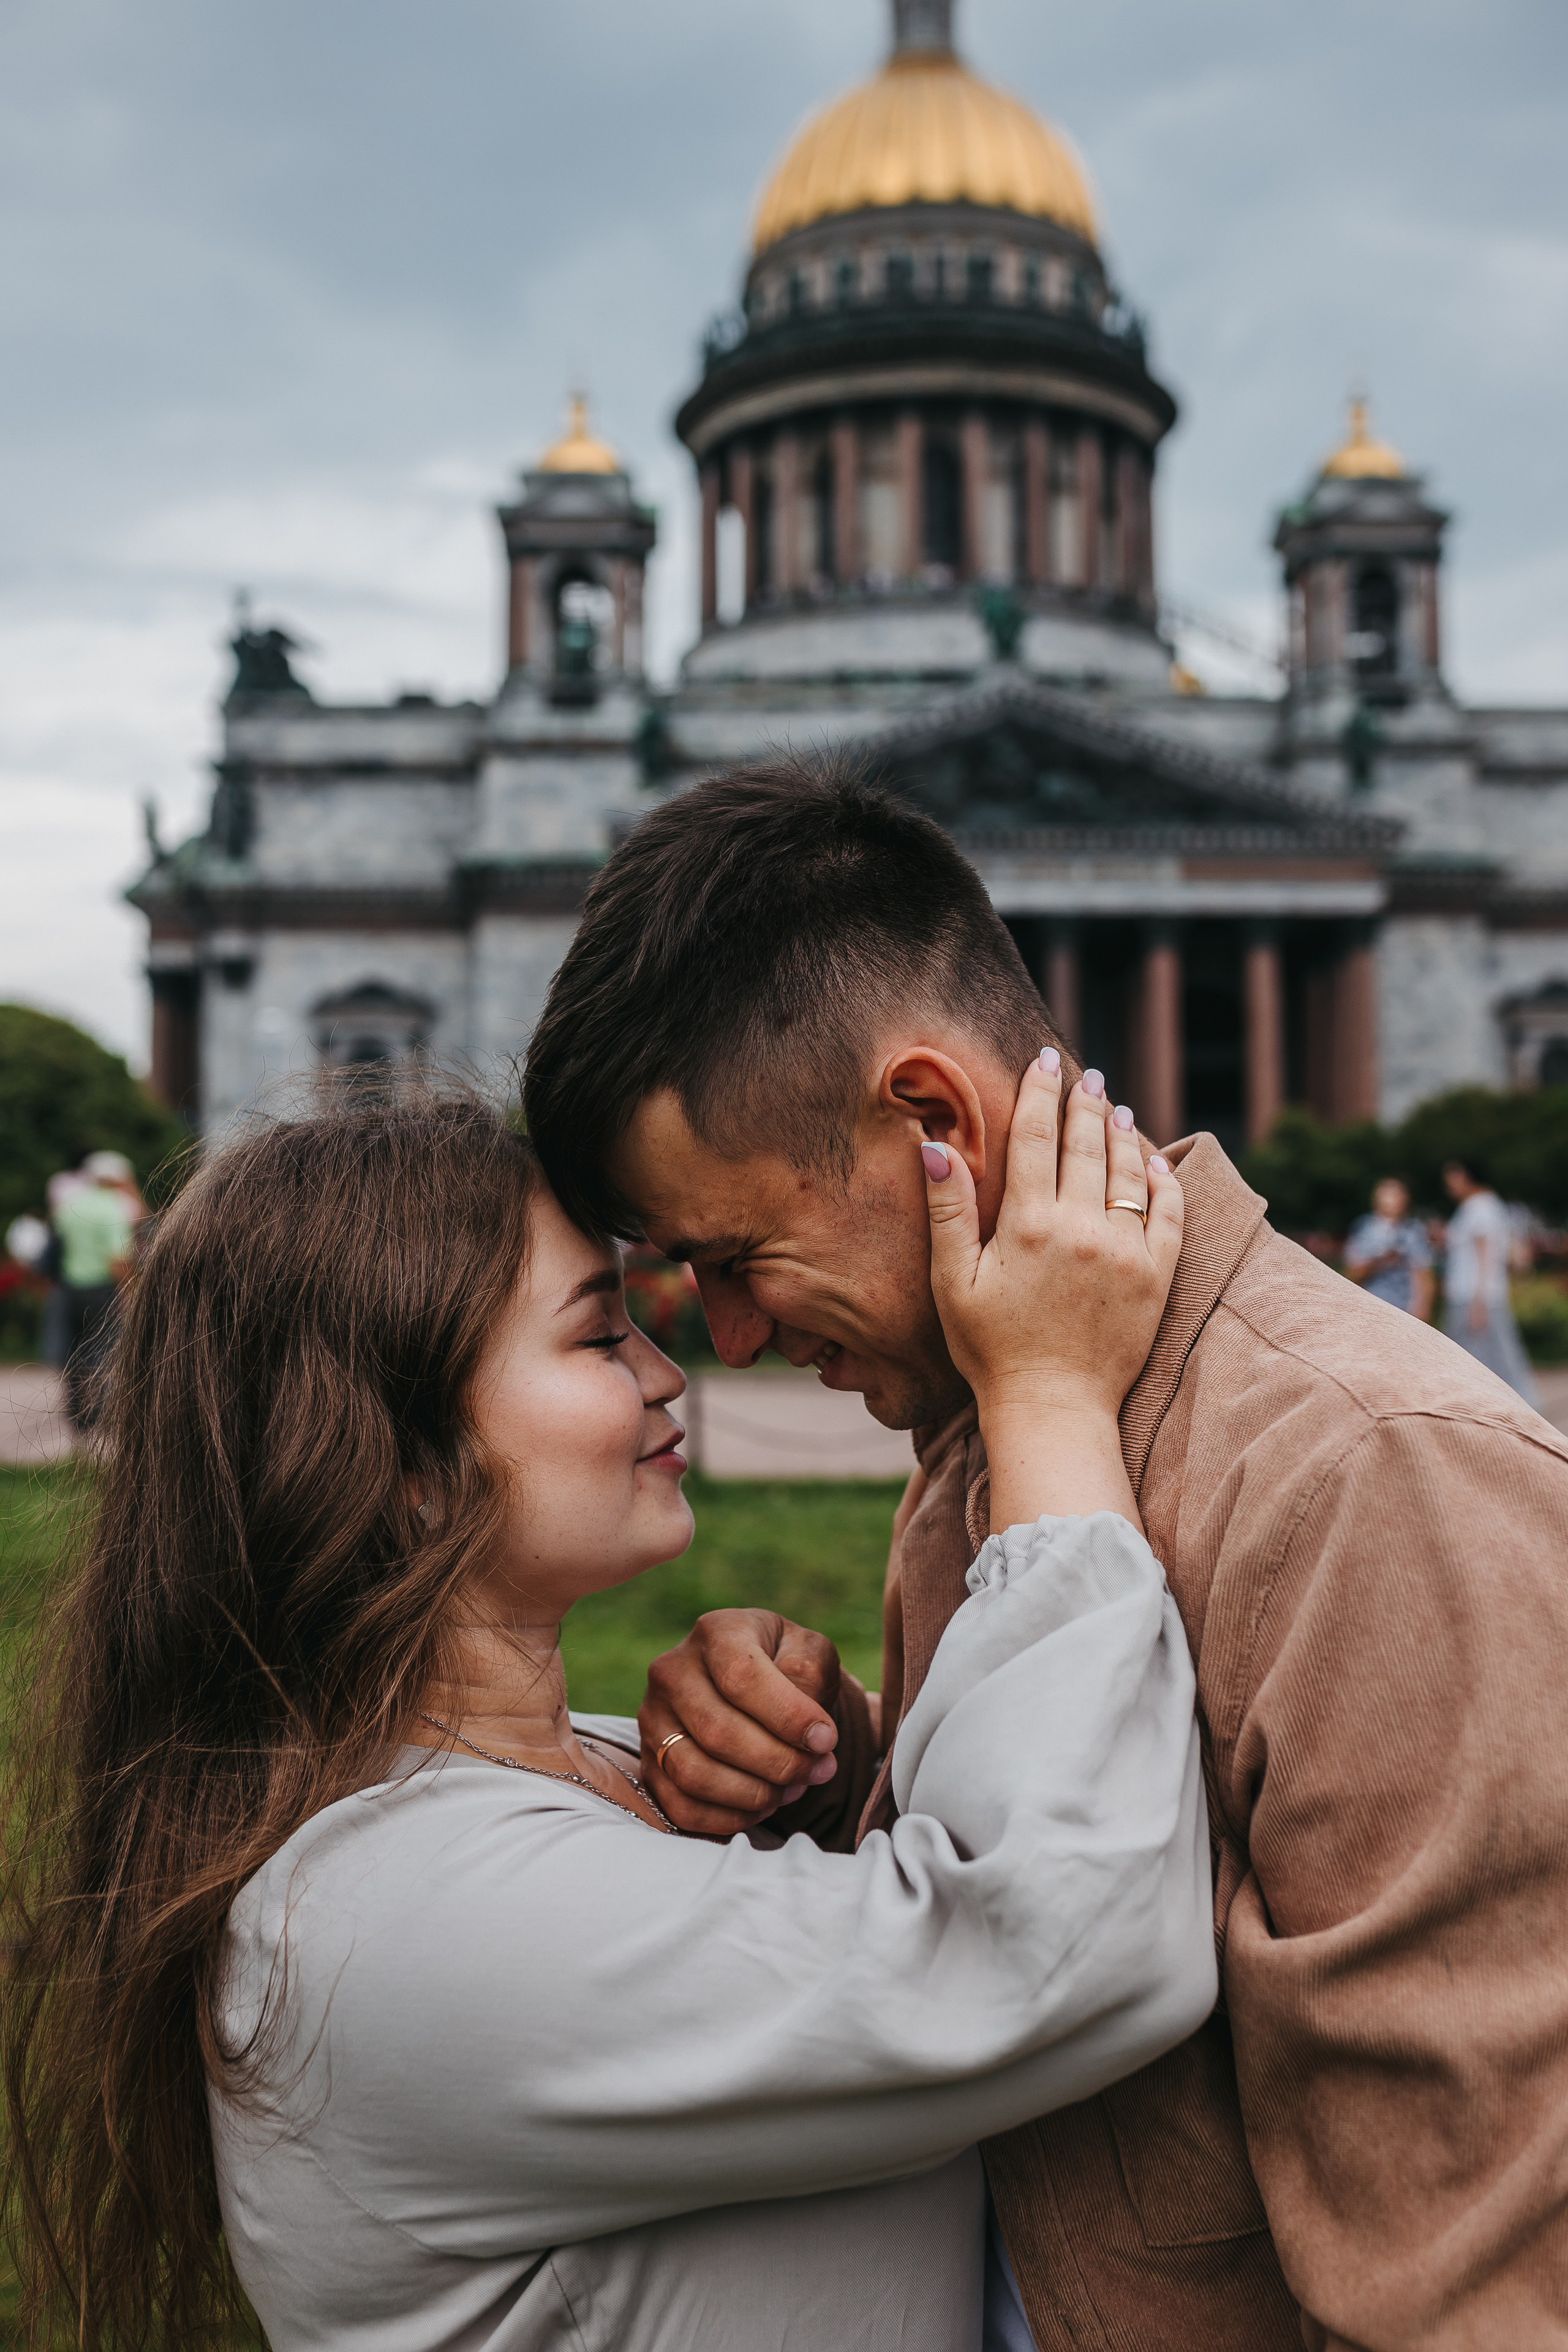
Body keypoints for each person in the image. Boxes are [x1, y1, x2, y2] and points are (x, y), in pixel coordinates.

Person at [522, 760, 1568, 2352]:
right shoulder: (996, 1419)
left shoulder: (1374, 1476)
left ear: (933, 1124)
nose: (721, 1337)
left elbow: (1473, 2272)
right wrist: (840, 1772)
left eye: (733, 1260)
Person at [2, 1080, 1215, 2352]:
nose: (668, 1372)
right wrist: (1046, 1396)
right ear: (401, 1465)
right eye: (596, 1337)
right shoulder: (394, 1923)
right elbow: (1068, 1937)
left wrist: (825, 1779)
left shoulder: (544, 1794)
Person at [50, 1148, 140, 1427]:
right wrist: (131, 1289)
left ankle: (77, 1411)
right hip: (102, 1288)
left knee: (73, 1349)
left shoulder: (70, 1204)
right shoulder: (114, 1206)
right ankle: (98, 1412)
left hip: (69, 1286)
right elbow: (118, 1258)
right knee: (102, 1349)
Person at [1440, 1155, 1539, 1407]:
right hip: (1474, 1295)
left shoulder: (1480, 1207)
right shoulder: (1481, 1206)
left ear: (1466, 1176)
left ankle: (1524, 1406)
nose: (1448, 1182)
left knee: (1494, 1355)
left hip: (1475, 1296)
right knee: (1486, 1354)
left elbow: (1486, 1257)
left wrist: (1479, 1301)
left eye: (1452, 1176)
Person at [1342, 1175, 1433, 1319]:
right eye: (1388, 1193)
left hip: (1404, 1313)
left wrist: (1422, 1308)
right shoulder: (1364, 1229)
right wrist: (1381, 1261)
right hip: (1368, 1310)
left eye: (1398, 1193)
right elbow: (1352, 1273)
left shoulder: (1414, 1231)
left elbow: (1423, 1274)